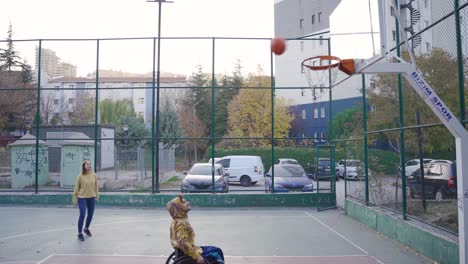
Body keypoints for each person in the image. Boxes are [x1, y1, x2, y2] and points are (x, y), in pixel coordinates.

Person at [167, 195, 224, 264]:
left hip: (186, 251)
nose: (188, 203)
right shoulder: (181, 223)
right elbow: (182, 243)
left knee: (216, 250)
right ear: (179, 208)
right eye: (184, 202)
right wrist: (197, 256)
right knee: (216, 253)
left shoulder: (177, 221)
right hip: (188, 253)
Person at [72, 160, 99, 241]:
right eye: (87, 164)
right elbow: (76, 188)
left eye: (90, 164)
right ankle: (79, 233)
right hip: (82, 197)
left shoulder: (94, 175)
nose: (89, 165)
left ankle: (86, 228)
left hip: (92, 197)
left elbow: (96, 186)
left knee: (90, 215)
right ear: (84, 166)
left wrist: (97, 196)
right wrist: (74, 198)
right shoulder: (80, 176)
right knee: (82, 215)